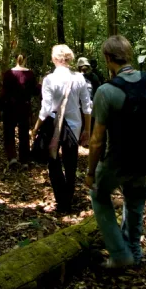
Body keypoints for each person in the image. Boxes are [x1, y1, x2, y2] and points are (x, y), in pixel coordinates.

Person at [85, 35, 146, 268]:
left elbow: (96, 141)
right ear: (129, 55)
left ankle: (120, 254)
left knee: (99, 195)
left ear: (107, 58)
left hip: (117, 162)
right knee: (135, 201)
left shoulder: (106, 91)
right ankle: (134, 250)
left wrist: (90, 172)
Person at [32, 45, 91, 213]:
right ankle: (68, 200)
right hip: (74, 126)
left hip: (53, 125)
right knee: (71, 163)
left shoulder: (49, 79)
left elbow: (45, 108)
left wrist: (36, 128)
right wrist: (87, 130)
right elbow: (87, 107)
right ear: (69, 59)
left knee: (53, 161)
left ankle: (61, 199)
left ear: (54, 59)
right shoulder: (80, 78)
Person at [0, 54, 40, 170]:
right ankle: (24, 160)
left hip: (9, 107)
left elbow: (4, 92)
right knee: (24, 134)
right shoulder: (30, 74)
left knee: (9, 133)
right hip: (24, 107)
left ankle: (12, 158)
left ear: (15, 59)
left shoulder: (9, 73)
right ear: (25, 60)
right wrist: (40, 84)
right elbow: (35, 91)